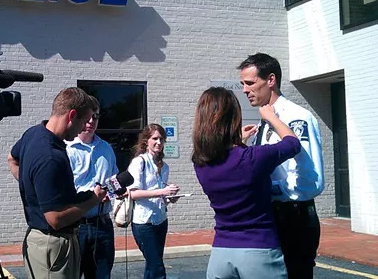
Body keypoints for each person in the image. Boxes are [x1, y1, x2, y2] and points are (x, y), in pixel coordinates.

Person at [193, 87, 302, 278]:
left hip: (221, 254)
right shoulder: (252, 158)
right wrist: (272, 118)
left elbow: (229, 164)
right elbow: (292, 144)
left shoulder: (200, 163)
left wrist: (240, 142)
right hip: (258, 250)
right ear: (233, 118)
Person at [238, 53, 324, 279]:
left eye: (250, 83)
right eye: (243, 84)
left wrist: (271, 189)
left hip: (294, 217)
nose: (245, 90)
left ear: (271, 80)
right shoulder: (263, 120)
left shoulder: (296, 117)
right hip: (270, 216)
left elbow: (308, 180)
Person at [7, 87, 107, 279]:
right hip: (53, 246)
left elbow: (12, 158)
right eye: (84, 120)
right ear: (71, 115)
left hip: (43, 243)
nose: (84, 127)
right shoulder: (51, 156)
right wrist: (93, 200)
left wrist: (36, 189)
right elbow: (55, 219)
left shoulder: (33, 134)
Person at [66, 96, 118, 279]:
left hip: (102, 224)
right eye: (87, 117)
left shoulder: (106, 148)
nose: (91, 122)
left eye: (95, 117)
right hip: (75, 226)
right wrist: (91, 197)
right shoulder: (66, 149)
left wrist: (111, 193)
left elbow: (114, 181)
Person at [126, 123, 179, 279]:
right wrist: (162, 191)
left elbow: (161, 197)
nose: (159, 142)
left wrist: (170, 197)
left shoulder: (164, 166)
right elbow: (133, 194)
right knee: (157, 268)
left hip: (160, 220)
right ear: (146, 141)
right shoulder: (139, 162)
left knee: (152, 266)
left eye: (162, 139)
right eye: (155, 138)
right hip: (144, 222)